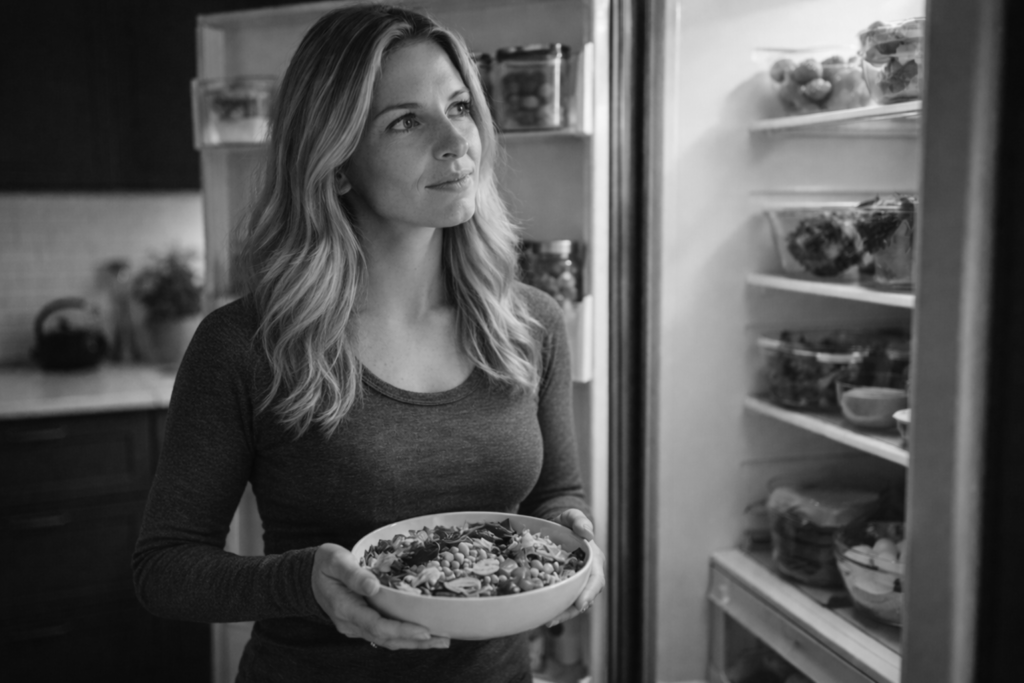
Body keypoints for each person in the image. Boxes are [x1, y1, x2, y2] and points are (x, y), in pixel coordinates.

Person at [132, 4, 605, 682]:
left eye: (461, 108)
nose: (456, 141)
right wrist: (304, 583)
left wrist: (576, 540)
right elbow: (165, 567)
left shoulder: (531, 323)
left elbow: (555, 494)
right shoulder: (244, 345)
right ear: (338, 160)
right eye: (406, 121)